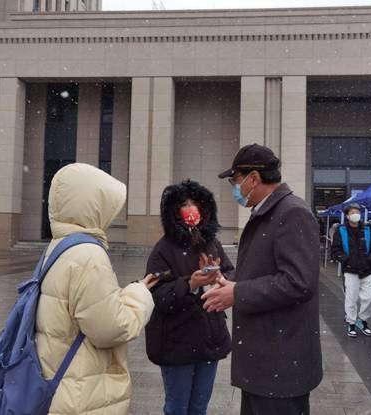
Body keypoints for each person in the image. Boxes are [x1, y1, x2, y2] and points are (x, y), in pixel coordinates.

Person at [202, 143, 322, 415]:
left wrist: (238, 293)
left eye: (236, 180)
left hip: (280, 366)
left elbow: (298, 282)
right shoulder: (267, 212)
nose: (235, 188)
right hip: (264, 364)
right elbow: (261, 273)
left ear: (253, 178)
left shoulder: (291, 212)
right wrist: (227, 281)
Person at [35, 163, 157, 415]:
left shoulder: (59, 247)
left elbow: (82, 309)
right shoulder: (88, 255)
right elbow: (111, 328)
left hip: (58, 381)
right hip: (82, 392)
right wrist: (140, 294)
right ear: (93, 206)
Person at [144, 180, 233, 415]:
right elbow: (158, 295)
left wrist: (219, 277)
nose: (191, 209)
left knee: (199, 408)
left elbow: (230, 273)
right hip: (176, 342)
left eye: (195, 203)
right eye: (184, 204)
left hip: (210, 338)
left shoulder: (212, 243)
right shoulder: (163, 250)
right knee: (177, 408)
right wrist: (190, 283)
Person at [331, 203, 371, 338]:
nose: (355, 215)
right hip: (350, 270)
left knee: (370, 297)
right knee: (351, 298)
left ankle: (362, 319)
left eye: (357, 212)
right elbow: (335, 249)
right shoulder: (341, 230)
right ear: (347, 216)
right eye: (352, 212)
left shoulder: (368, 229)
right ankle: (351, 322)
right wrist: (344, 259)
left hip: (367, 269)